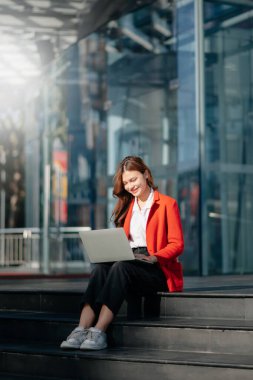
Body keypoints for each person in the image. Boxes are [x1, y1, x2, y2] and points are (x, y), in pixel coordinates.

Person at [60, 156, 184, 351]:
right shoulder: (127, 207)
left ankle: (99, 331)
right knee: (101, 268)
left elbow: (177, 244)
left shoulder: (168, 204)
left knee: (121, 267)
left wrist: (155, 257)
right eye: (126, 183)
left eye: (133, 180)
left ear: (146, 174)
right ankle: (81, 329)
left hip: (156, 267)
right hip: (129, 259)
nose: (130, 186)